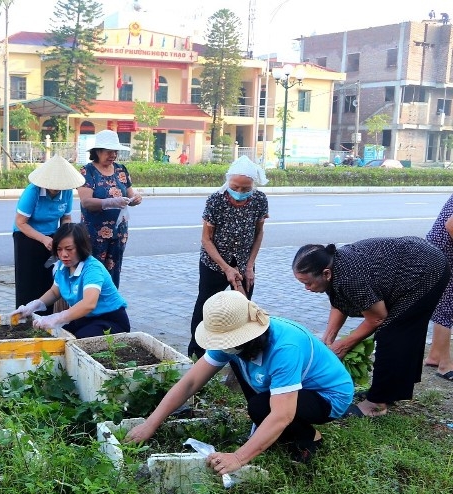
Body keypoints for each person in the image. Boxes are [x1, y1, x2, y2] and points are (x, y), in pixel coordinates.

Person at [126, 291, 354, 467]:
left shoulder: (286, 347)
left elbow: (282, 414)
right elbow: (190, 383)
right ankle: (268, 430)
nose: (222, 347)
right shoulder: (230, 341)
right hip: (290, 390)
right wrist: (150, 423)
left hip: (328, 396)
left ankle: (310, 438)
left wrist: (238, 457)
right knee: (258, 402)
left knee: (261, 408)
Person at [293, 236, 449, 417]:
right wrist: (327, 340)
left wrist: (343, 345)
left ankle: (376, 404)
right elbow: (339, 302)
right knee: (401, 333)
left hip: (428, 269)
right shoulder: (334, 267)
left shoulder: (349, 278)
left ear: (326, 273)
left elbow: (377, 318)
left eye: (307, 282)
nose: (306, 288)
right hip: (412, 263)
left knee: (391, 334)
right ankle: (389, 392)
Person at [187, 155, 269, 359]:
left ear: (253, 186)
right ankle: (197, 352)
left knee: (243, 306)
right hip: (214, 263)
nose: (240, 192)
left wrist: (249, 266)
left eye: (245, 189)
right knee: (206, 305)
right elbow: (206, 240)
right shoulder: (216, 200)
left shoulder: (259, 200)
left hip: (243, 261)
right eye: (235, 187)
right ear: (228, 182)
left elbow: (258, 233)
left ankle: (240, 352)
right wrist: (226, 268)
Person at [13, 223, 130, 338]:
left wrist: (58, 317)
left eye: (69, 249)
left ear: (81, 247)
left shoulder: (92, 269)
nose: (64, 255)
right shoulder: (62, 267)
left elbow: (89, 304)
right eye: (59, 249)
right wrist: (33, 306)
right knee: (56, 336)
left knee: (76, 341)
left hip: (109, 320)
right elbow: (54, 292)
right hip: (84, 318)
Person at [13, 154, 84, 312]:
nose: (57, 188)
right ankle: (25, 316)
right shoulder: (33, 191)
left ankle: (46, 318)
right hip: (27, 236)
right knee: (28, 280)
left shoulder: (66, 192)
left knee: (50, 278)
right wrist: (43, 239)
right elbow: (20, 222)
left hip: (53, 236)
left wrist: (63, 237)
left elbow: (66, 218)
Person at [77, 129, 143, 288]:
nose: (113, 154)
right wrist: (109, 202)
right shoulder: (88, 171)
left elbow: (129, 195)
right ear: (97, 152)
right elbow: (86, 201)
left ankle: (110, 306)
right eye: (109, 151)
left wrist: (135, 199)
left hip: (118, 231)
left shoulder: (121, 170)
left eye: (115, 151)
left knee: (113, 271)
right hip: (94, 232)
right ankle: (90, 305)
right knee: (93, 270)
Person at [425, 193, 453, 379]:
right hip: (444, 252)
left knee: (445, 304)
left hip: (440, 249)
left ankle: (435, 355)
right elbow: (451, 225)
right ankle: (444, 365)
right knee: (447, 307)